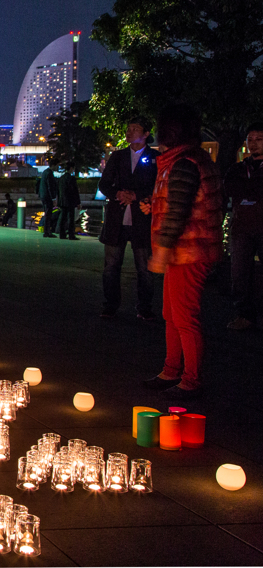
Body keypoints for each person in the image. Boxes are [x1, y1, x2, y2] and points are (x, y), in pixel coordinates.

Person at [142, 103, 222, 397]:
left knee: (184, 316)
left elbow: (179, 211)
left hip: (189, 252)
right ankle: (171, 370)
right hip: (183, 250)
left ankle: (190, 378)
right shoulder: (180, 161)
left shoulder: (184, 163)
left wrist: (162, 250)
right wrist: (154, 206)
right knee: (171, 313)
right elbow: (177, 202)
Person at [98, 120, 160, 319]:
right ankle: (111, 304)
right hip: (118, 218)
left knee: (145, 268)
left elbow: (159, 187)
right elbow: (104, 184)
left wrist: (137, 195)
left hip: (143, 218)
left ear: (146, 133)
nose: (129, 132)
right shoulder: (117, 156)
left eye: (135, 129)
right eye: (128, 128)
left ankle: (144, 307)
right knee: (111, 266)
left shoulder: (156, 158)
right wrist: (118, 194)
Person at [223, 123, 263, 330]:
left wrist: (247, 190)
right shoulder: (239, 168)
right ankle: (244, 315)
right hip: (241, 228)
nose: (253, 144)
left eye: (259, 139)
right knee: (239, 273)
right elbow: (229, 187)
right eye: (251, 139)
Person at [57, 162, 81, 240]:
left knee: (62, 218)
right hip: (70, 201)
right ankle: (71, 235)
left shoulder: (61, 178)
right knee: (71, 218)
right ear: (71, 168)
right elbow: (75, 191)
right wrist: (78, 202)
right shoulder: (71, 178)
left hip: (62, 201)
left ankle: (62, 234)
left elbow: (59, 191)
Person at [38, 163, 58, 237]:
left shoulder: (45, 172)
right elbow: (50, 186)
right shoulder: (49, 173)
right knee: (48, 214)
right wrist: (53, 198)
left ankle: (46, 231)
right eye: (57, 165)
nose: (58, 167)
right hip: (48, 197)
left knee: (47, 213)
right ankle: (47, 232)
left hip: (43, 196)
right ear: (54, 165)